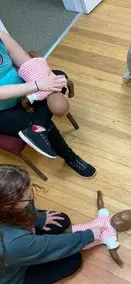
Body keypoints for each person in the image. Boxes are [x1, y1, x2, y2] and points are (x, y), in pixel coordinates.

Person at [0, 31, 95, 178]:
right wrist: (37, 85)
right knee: (47, 127)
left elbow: (25, 61)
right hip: (4, 111)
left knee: (59, 76)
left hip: (25, 91)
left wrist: (44, 76)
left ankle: (38, 126)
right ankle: (71, 159)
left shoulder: (1, 36)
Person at [0, 164, 103, 284]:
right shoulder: (11, 243)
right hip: (14, 276)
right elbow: (49, 247)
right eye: (28, 195)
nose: (31, 194)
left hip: (19, 244)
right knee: (74, 260)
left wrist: (39, 219)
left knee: (62, 221)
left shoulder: (8, 207)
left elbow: (26, 207)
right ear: (9, 205)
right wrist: (88, 236)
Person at [72, 190, 131, 266]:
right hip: (77, 228)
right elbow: (100, 207)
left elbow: (112, 250)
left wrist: (117, 259)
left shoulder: (111, 235)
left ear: (122, 228)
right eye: (118, 215)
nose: (117, 219)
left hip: (83, 242)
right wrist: (99, 197)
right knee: (66, 232)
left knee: (70, 246)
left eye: (121, 221)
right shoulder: (106, 216)